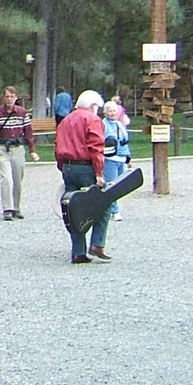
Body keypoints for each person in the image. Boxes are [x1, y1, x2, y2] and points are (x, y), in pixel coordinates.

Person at [55, 89, 108, 263]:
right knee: (104, 202)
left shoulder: (65, 120)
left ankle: (78, 251)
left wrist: (63, 168)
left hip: (68, 168)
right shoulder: (92, 119)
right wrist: (99, 174)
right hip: (86, 167)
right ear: (92, 105)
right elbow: (96, 148)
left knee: (73, 210)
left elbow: (58, 147)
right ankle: (97, 243)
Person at [0, 85, 36, 220]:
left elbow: (28, 132)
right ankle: (7, 208)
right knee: (7, 179)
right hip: (3, 148)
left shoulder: (22, 112)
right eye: (7, 96)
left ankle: (16, 208)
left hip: (18, 148)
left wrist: (32, 150)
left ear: (16, 97)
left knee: (18, 180)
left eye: (12, 97)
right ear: (3, 98)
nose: (9, 99)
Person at [102, 100, 132, 221]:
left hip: (120, 159)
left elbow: (124, 143)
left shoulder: (119, 125)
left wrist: (128, 158)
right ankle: (114, 211)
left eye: (114, 110)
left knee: (118, 186)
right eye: (109, 111)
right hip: (109, 160)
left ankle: (110, 208)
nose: (112, 113)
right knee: (111, 185)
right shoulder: (102, 125)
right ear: (105, 112)